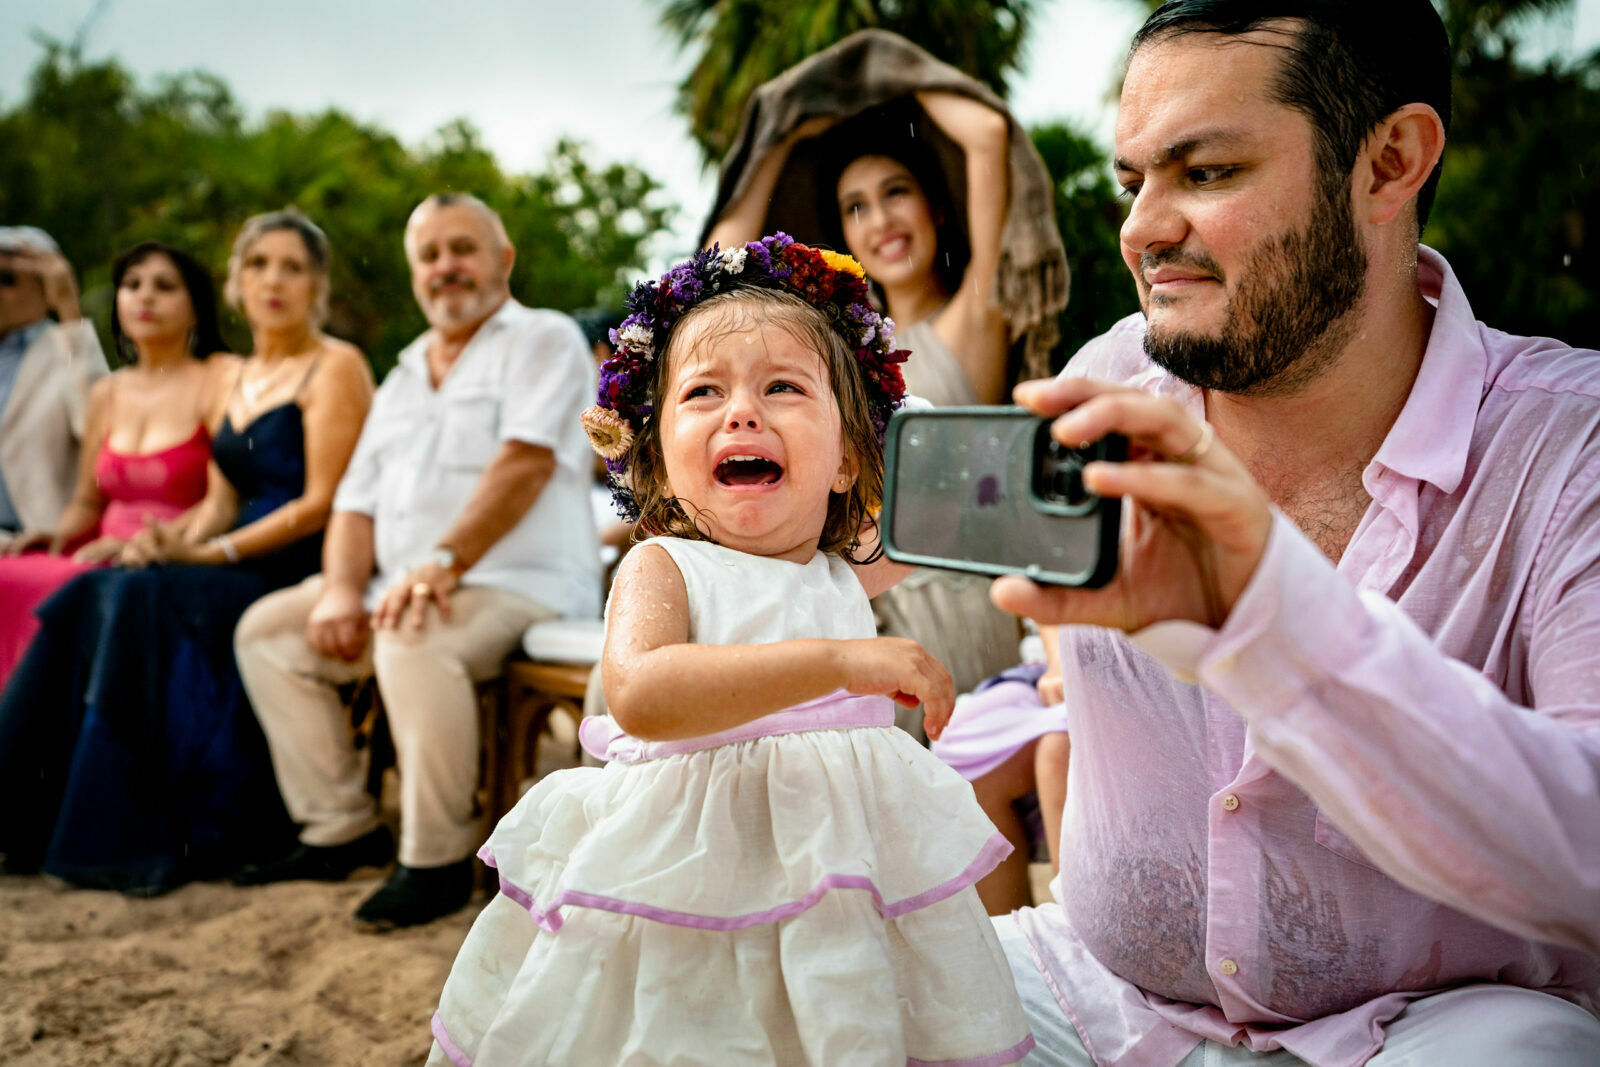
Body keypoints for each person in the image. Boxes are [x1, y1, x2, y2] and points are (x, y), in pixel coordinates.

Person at [988, 2, 1600, 1063]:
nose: (1140, 228)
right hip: (1095, 999)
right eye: (1134, 179)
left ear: (1388, 161)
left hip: (1439, 1026)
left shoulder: (1567, 443)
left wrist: (1271, 614)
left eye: (1206, 172)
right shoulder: (1104, 382)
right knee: (808, 991)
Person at [427, 236, 1033, 1067]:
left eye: (784, 387)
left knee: (832, 1017)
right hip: (689, 866)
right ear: (664, 466)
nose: (742, 412)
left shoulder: (845, 566)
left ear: (848, 459)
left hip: (835, 859)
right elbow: (642, 690)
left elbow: (970, 508)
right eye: (703, 392)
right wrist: (838, 662)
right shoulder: (665, 564)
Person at [232, 193, 601, 932]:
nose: (446, 267)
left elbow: (523, 465)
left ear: (503, 259)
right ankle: (339, 825)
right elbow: (354, 504)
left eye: (463, 248)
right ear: (414, 275)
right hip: (400, 581)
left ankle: (435, 860)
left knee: (414, 633)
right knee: (269, 631)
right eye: (429, 256)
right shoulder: (400, 375)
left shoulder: (542, 338)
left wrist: (442, 561)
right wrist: (340, 589)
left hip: (518, 584)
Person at [704, 29, 1070, 727]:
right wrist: (782, 136)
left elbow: (987, 134)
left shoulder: (972, 321)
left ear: (934, 207)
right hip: (835, 602)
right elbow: (716, 272)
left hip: (943, 603)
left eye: (895, 192)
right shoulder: (831, 350)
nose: (881, 219)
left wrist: (875, 71)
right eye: (857, 206)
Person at [0, 209, 372, 894]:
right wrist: (170, 540)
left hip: (297, 559)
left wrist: (213, 554)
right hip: (231, 552)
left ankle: (161, 826)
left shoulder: (335, 365)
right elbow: (219, 500)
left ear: (317, 285)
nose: (273, 281)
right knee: (95, 586)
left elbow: (321, 501)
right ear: (236, 283)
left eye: (293, 267)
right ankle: (27, 810)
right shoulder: (238, 377)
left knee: (140, 594)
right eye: (258, 264)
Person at [0, 241, 227, 687]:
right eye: (131, 285)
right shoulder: (109, 394)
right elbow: (87, 500)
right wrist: (55, 536)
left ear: (196, 306)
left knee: (75, 592)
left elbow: (226, 498)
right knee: (6, 575)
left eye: (163, 287)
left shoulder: (220, 378)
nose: (144, 297)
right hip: (95, 551)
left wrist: (144, 543)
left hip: (166, 551)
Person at [932, 624, 1071, 914]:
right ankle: (1009, 931)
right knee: (960, 750)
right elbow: (1050, 602)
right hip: (1051, 666)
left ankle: (1080, 927)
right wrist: (1059, 660)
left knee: (1060, 747)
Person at [0, 226, 109, 544]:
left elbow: (98, 427)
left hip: (40, 540)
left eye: (6, 279)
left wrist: (68, 306)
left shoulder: (68, 347)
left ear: (47, 287)